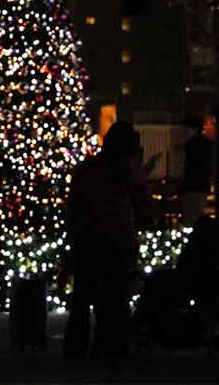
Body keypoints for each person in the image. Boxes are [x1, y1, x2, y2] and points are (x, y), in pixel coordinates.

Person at [64, 121, 152, 361]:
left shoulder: (88, 168)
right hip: (118, 239)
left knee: (82, 297)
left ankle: (75, 348)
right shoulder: (128, 171)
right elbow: (143, 207)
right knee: (114, 297)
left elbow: (74, 206)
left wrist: (74, 234)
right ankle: (110, 344)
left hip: (87, 239)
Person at [179, 115, 213, 223]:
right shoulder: (207, 144)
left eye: (186, 129)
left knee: (191, 215)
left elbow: (189, 166)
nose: (184, 132)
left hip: (192, 185)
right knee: (197, 214)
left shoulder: (190, 145)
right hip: (200, 185)